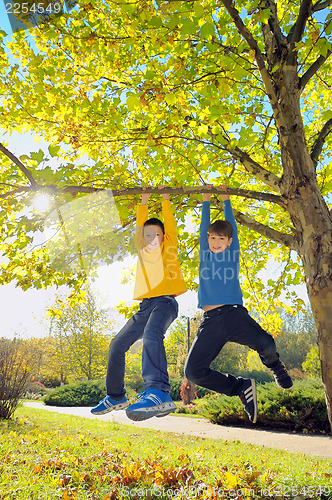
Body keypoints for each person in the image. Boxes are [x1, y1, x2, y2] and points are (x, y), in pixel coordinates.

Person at [184, 184, 293, 423]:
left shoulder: (232, 255)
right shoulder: (205, 253)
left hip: (234, 316)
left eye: (220, 238)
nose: (214, 242)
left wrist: (226, 201)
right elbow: (203, 229)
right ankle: (240, 388)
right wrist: (204, 201)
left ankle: (275, 366)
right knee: (192, 371)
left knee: (265, 343)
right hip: (211, 322)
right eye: (212, 238)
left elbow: (231, 225)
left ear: (229, 241)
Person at [91, 187, 187, 421]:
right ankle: (115, 395)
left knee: (152, 335)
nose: (151, 239)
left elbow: (170, 226)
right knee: (117, 344)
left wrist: (165, 198)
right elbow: (138, 228)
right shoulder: (143, 250)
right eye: (147, 235)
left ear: (163, 237)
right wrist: (143, 200)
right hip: (145, 307)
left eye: (156, 235)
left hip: (165, 303)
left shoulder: (168, 249)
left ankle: (158, 391)